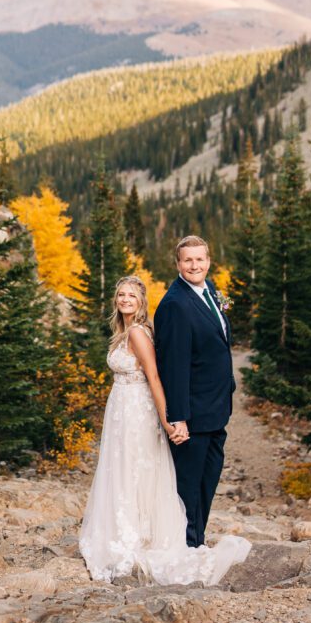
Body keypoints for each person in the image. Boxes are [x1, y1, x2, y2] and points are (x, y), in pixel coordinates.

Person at [79, 275, 249, 585]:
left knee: (138, 469)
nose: (125, 299)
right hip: (122, 411)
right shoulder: (123, 332)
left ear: (142, 301)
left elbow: (155, 378)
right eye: (121, 295)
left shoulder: (139, 334)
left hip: (138, 412)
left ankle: (144, 535)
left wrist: (168, 418)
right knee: (124, 470)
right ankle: (128, 529)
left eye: (132, 295)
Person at [153, 236, 234, 548]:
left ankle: (197, 541)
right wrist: (179, 417)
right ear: (177, 264)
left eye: (199, 260)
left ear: (208, 261)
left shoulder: (210, 291)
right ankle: (185, 548)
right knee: (187, 485)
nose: (194, 265)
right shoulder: (175, 305)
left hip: (216, 409)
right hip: (193, 415)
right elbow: (173, 366)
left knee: (207, 482)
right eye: (187, 261)